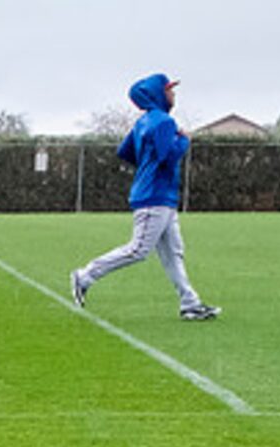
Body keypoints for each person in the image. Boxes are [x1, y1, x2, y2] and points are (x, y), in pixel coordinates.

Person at [69, 74, 219, 321]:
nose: (173, 94)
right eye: (169, 90)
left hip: (159, 195)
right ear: (159, 94)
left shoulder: (144, 122)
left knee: (173, 253)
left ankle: (190, 303)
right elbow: (167, 157)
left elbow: (125, 152)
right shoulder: (164, 122)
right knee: (138, 249)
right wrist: (183, 140)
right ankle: (84, 276)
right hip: (155, 196)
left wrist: (146, 164)